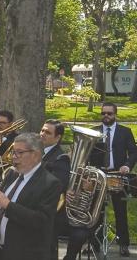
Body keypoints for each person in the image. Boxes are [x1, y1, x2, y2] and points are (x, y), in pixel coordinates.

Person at [0, 133, 61, 260]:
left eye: (19, 153)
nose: (14, 157)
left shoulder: (50, 183)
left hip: (25, 254)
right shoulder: (12, 174)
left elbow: (41, 221)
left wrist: (7, 205)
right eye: (13, 152)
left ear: (36, 154)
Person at [83, 102, 136, 257]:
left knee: (120, 210)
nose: (106, 116)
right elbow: (86, 153)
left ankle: (124, 244)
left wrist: (127, 165)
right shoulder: (93, 131)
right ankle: (94, 244)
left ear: (115, 114)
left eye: (109, 113)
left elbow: (133, 152)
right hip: (98, 175)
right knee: (95, 211)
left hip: (117, 175)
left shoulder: (125, 131)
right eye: (103, 113)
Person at [39, 120, 70, 260]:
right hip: (35, 207)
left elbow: (58, 185)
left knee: (47, 249)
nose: (42, 134)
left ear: (57, 138)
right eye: (42, 130)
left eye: (47, 132)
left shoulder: (60, 158)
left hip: (49, 211)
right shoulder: (38, 151)